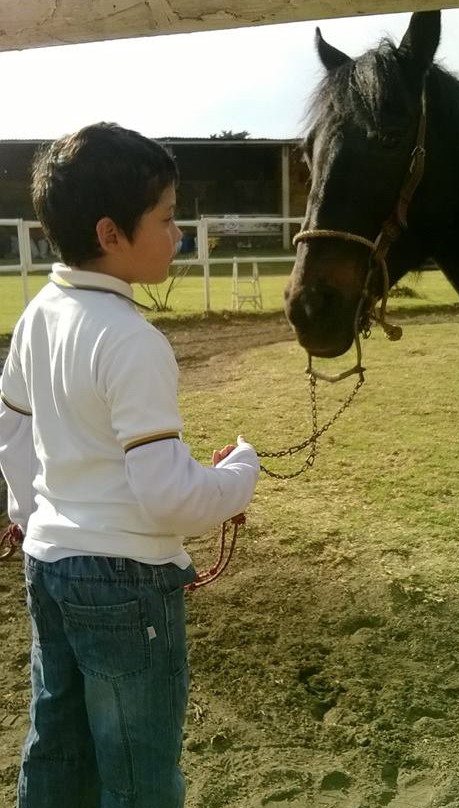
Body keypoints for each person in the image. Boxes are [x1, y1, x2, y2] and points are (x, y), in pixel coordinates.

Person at [0, 122, 260, 808]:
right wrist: (240, 478)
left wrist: (25, 513)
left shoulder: (39, 314)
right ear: (112, 233)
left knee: (55, 744)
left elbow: (14, 423)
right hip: (124, 582)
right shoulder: (131, 340)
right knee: (138, 771)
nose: (179, 232)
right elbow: (167, 496)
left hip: (49, 566)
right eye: (168, 218)